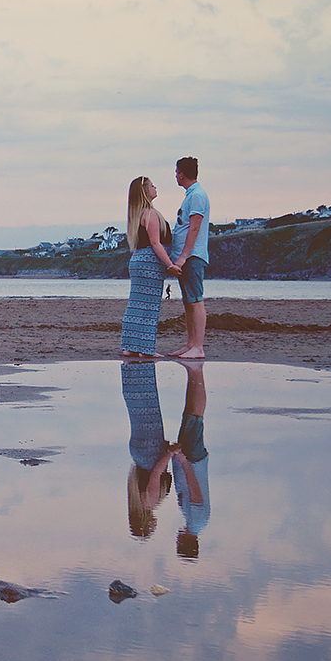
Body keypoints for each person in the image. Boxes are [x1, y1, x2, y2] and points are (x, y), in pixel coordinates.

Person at [120, 176, 180, 358]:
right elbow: (156, 243)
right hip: (149, 263)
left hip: (138, 260)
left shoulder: (136, 215)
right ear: (145, 192)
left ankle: (130, 346)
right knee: (149, 307)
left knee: (136, 305)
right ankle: (145, 349)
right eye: (152, 185)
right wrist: (170, 265)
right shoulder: (151, 214)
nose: (156, 187)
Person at [122, 362, 174, 539]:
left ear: (145, 524)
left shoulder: (149, 502)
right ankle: (131, 370)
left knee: (149, 404)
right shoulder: (133, 499)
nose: (154, 528)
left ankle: (142, 369)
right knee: (137, 408)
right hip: (137, 453)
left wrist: (170, 453)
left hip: (150, 453)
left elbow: (156, 474)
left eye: (150, 530)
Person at [168, 156, 210, 359]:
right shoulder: (190, 195)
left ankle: (198, 347)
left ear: (181, 174)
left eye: (176, 172)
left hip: (192, 257)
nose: (175, 175)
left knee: (195, 300)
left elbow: (195, 227)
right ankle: (190, 344)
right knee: (188, 301)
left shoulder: (197, 195)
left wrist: (183, 256)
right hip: (185, 257)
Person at [169, 357, 209, 558]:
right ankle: (198, 373)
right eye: (178, 542)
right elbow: (195, 492)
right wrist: (184, 461)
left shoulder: (196, 523)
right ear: (184, 542)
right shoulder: (195, 522)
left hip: (192, 460)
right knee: (196, 417)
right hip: (192, 459)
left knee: (189, 416)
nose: (176, 538)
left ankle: (193, 374)